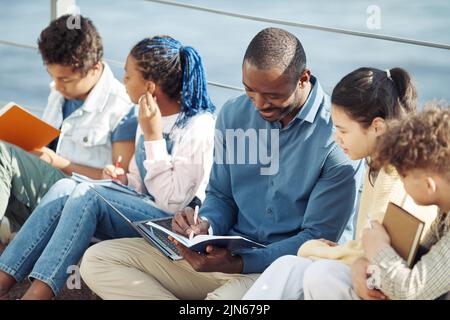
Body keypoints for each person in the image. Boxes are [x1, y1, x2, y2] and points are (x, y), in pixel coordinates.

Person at [79, 27, 364, 300]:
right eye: (250, 90)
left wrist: (239, 262)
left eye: (273, 95)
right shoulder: (233, 115)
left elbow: (316, 241)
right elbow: (220, 195)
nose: (259, 104)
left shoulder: (337, 137)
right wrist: (205, 226)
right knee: (99, 260)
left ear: (303, 78)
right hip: (221, 258)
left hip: (278, 272)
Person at [0, 35, 216, 299]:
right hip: (141, 213)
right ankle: (4, 277)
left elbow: (174, 203)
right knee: (65, 186)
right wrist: (121, 180)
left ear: (149, 86)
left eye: (127, 75)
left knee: (87, 194)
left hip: (169, 227)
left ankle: (37, 294)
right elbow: (140, 185)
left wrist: (153, 137)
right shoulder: (145, 116)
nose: (123, 81)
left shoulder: (198, 127)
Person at [243, 67, 437, 300]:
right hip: (370, 272)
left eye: (343, 130)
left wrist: (314, 249)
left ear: (377, 127)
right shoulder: (374, 166)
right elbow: (364, 248)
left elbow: (381, 258)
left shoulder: (400, 178)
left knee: (321, 272)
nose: (337, 138)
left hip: (387, 287)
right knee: (289, 267)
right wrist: (334, 252)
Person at [0, 15, 137, 244]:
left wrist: (59, 163)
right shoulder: (61, 91)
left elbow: (122, 187)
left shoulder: (122, 109)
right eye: (52, 76)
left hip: (78, 201)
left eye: (65, 79)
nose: (57, 85)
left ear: (94, 69)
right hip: (44, 190)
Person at [303, 105, 450, 300]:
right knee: (324, 276)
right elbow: (417, 261)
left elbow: (410, 289)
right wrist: (361, 265)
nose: (401, 182)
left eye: (403, 175)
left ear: (429, 185)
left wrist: (378, 248)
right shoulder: (444, 214)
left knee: (324, 277)